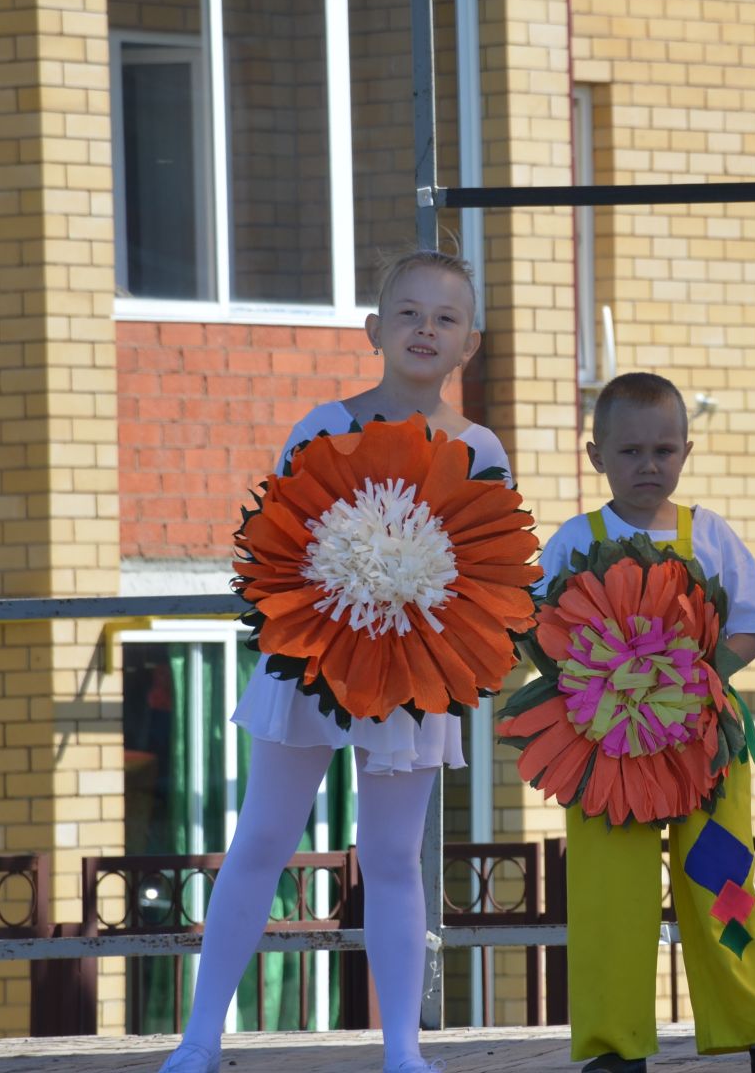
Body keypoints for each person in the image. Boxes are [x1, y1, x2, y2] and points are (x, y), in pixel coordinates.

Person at [158, 250, 495, 1073]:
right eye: (408, 314)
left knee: (391, 857)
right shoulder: (321, 426)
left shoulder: (481, 446)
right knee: (262, 838)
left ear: (469, 345)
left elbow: (488, 574)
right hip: (310, 655)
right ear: (375, 329)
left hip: (415, 675)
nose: (426, 329)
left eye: (445, 318)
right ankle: (201, 1038)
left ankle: (403, 1049)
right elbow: (274, 546)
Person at [539, 372, 755, 1073]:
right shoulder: (571, 542)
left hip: (705, 740)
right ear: (596, 456)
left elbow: (754, 628)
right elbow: (538, 635)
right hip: (603, 748)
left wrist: (692, 682)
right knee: (610, 890)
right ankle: (613, 1048)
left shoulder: (708, 533)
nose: (650, 465)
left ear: (687, 452)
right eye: (631, 451)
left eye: (664, 451)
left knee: (721, 874)